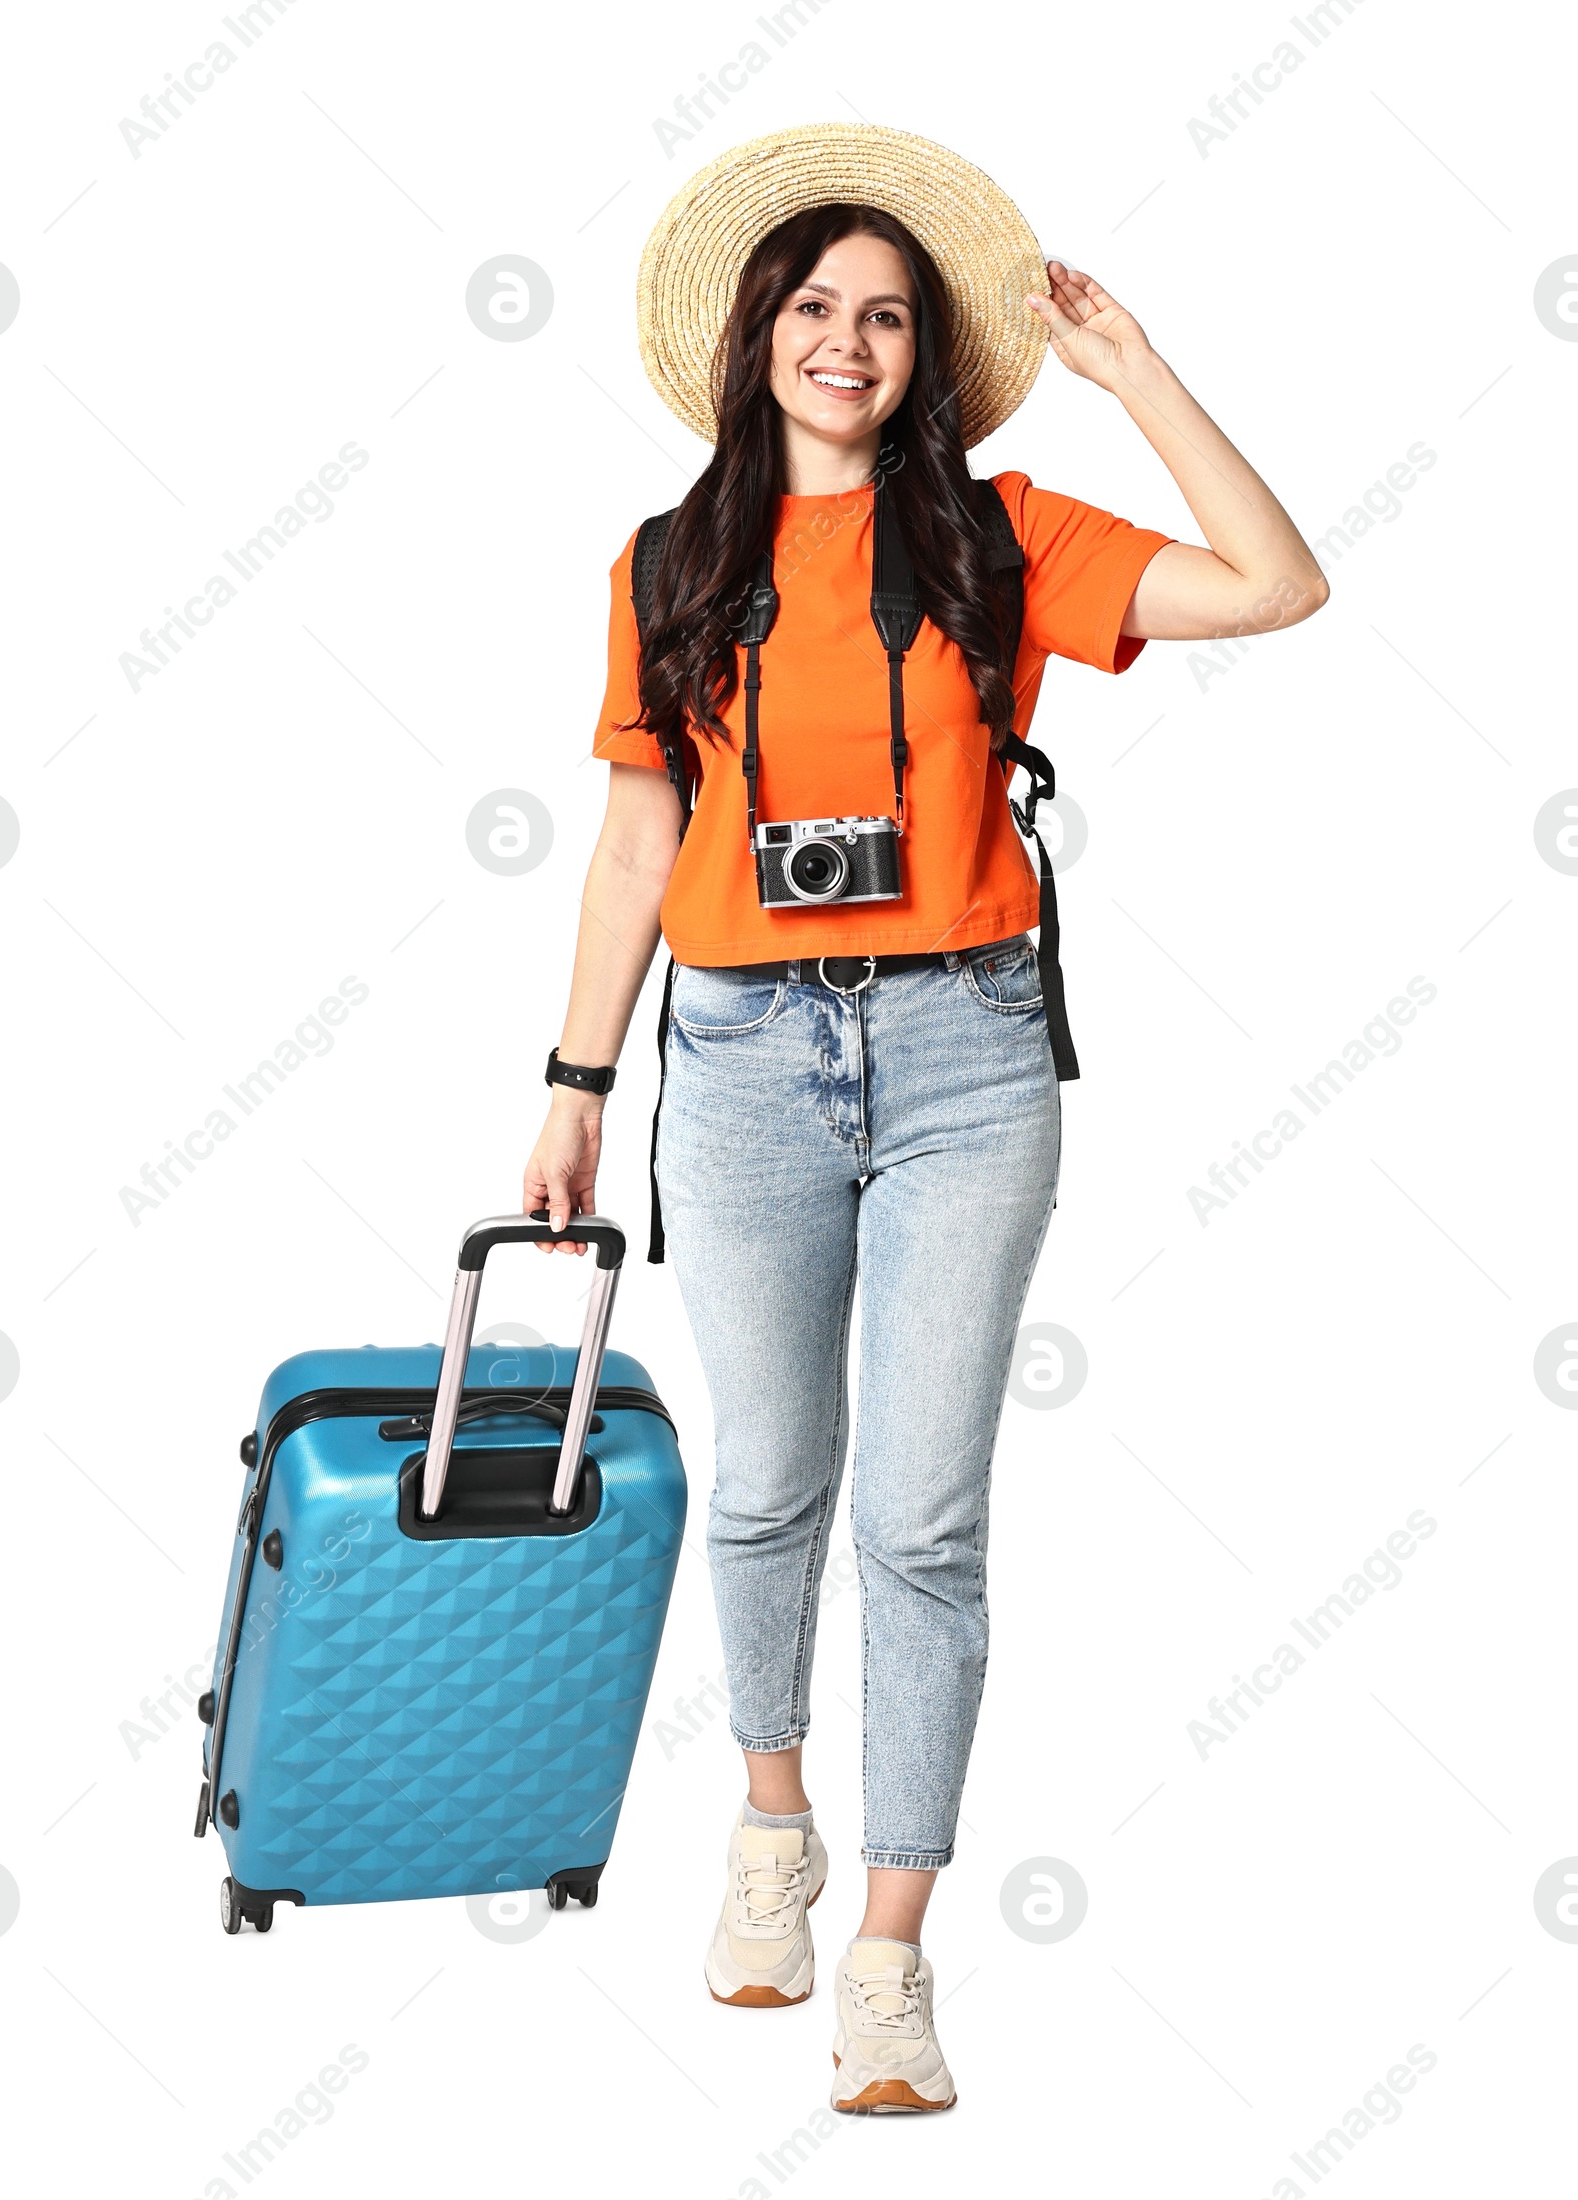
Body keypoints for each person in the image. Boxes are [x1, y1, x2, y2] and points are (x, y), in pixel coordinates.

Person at [523, 124, 1327, 2113]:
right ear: (753, 334)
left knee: (924, 1513)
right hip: (733, 1060)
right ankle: (772, 1827)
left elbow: (1276, 583)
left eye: (885, 315)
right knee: (771, 1479)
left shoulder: (995, 532)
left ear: (929, 354)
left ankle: (889, 1949)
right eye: (813, 307)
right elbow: (636, 834)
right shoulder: (667, 560)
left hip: (965, 1053)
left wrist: (1132, 367)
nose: (846, 341)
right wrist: (569, 1081)